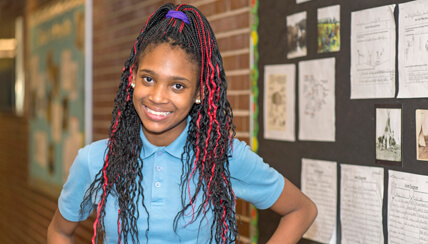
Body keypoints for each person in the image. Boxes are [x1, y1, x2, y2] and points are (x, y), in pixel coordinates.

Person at [47, 3, 317, 244]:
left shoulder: (222, 156)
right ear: (132, 77)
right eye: (148, 79)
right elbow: (59, 231)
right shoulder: (96, 160)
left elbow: (301, 210)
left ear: (199, 93)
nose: (157, 97)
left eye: (177, 85)